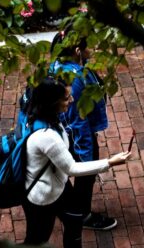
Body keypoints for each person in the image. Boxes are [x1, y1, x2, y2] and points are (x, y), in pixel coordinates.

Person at [21, 76, 131, 246]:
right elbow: (72, 168)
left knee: (75, 220)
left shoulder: (40, 116)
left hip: (58, 186)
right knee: (37, 240)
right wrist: (110, 162)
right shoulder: (47, 137)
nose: (71, 100)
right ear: (52, 102)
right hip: (44, 197)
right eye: (66, 98)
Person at [48, 31, 118, 231]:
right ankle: (81, 215)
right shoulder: (76, 80)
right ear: (77, 50)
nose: (93, 49)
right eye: (89, 46)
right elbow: (78, 121)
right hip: (76, 136)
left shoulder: (58, 67)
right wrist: (87, 157)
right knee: (86, 173)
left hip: (63, 130)